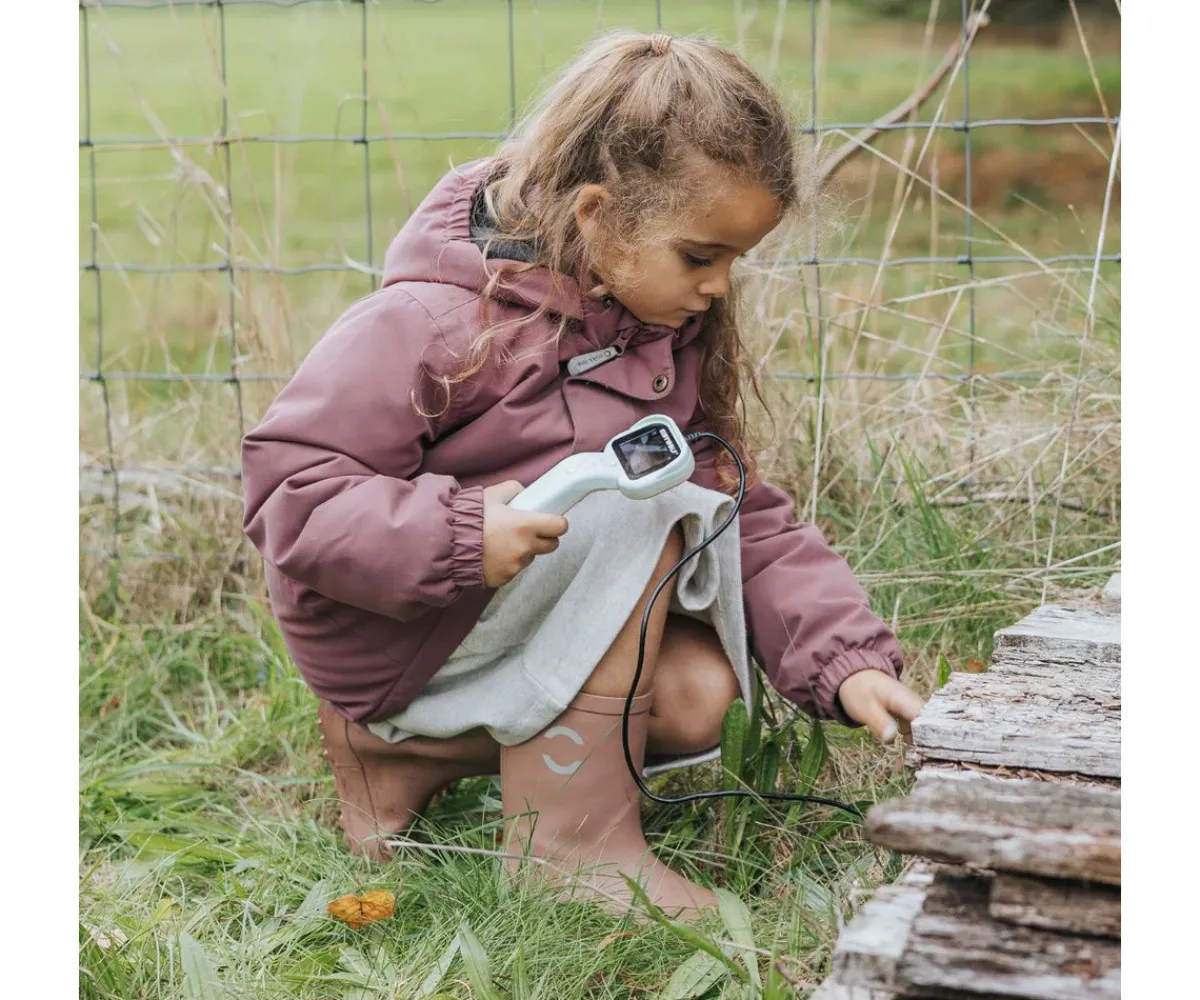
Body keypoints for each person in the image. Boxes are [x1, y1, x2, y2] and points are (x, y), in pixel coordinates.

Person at [241, 30, 923, 920]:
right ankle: (570, 849)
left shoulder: (652, 331)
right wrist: (458, 534)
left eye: (735, 261)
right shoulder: (431, 322)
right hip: (399, 627)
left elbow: (736, 508)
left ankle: (397, 757)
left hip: (489, 615)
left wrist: (844, 659)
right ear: (597, 215)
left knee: (697, 698)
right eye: (700, 256)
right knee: (643, 508)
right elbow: (292, 490)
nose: (720, 287)